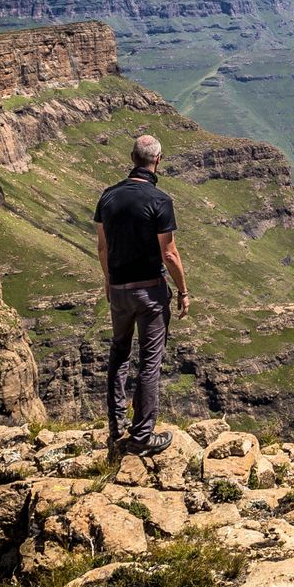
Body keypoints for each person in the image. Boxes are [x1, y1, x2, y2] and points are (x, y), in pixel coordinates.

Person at [95, 134, 191, 457]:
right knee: (150, 363)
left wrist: (108, 281)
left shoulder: (107, 197)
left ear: (131, 158)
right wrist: (183, 290)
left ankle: (115, 424)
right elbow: (170, 253)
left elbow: (102, 246)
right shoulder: (159, 201)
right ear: (157, 161)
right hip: (150, 292)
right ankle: (141, 436)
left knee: (119, 353)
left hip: (119, 291)